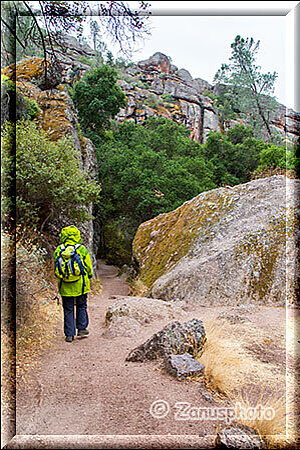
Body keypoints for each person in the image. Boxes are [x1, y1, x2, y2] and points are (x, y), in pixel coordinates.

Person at [53, 225, 93, 342]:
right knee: (81, 305)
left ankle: (69, 335)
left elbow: (56, 267)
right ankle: (81, 329)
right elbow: (88, 267)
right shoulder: (81, 249)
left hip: (65, 285)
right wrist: (89, 276)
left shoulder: (59, 250)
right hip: (81, 285)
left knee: (68, 308)